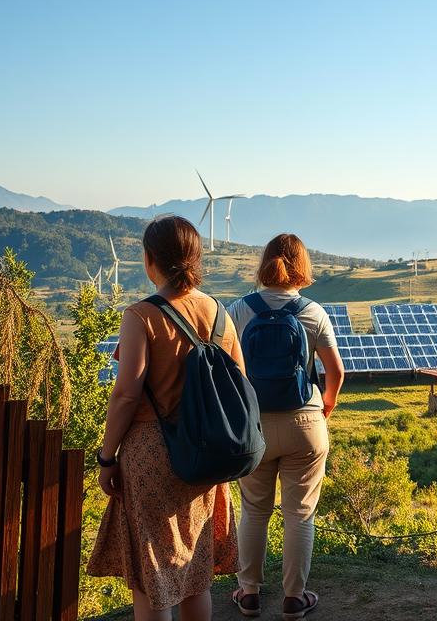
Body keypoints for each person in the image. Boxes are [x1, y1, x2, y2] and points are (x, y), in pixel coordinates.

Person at [88, 215, 242, 621]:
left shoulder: (140, 316)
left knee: (150, 575)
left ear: (149, 259)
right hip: (207, 455)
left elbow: (125, 395)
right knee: (194, 571)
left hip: (151, 453)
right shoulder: (218, 313)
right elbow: (239, 382)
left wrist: (106, 458)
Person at [227, 234, 345, 620]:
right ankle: (295, 597)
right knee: (299, 514)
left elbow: (225, 369)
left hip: (254, 427)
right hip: (305, 422)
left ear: (265, 265)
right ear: (302, 267)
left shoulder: (239, 310)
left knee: (254, 511)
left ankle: (248, 594)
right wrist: (325, 406)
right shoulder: (314, 312)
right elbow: (335, 371)